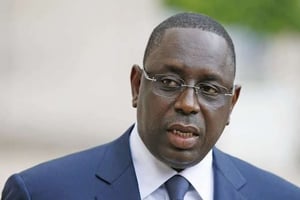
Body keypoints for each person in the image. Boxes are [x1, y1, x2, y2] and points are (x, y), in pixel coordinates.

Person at [2, 12, 300, 200]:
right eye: (169, 82)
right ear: (136, 85)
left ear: (232, 104)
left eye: (209, 89)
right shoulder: (41, 192)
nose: (187, 104)